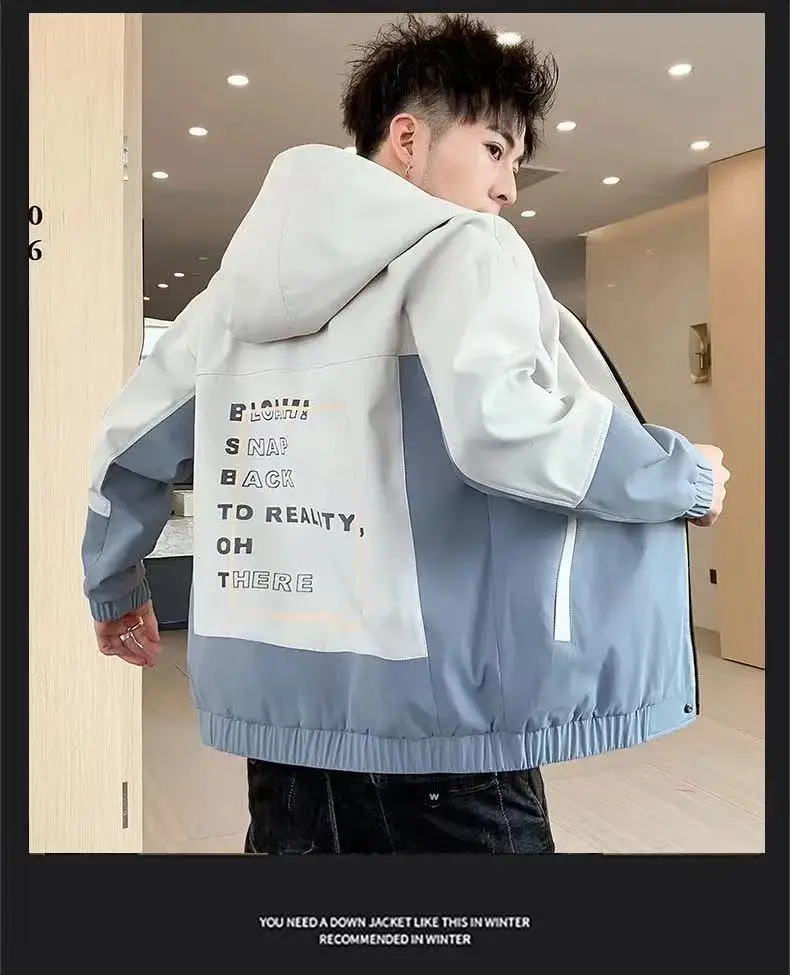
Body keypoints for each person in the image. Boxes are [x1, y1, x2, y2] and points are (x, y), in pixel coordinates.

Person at [82, 14, 730, 855]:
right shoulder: (465, 249)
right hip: (442, 737)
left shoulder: (223, 309)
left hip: (284, 741)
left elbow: (127, 444)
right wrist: (680, 473)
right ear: (409, 138)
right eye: (494, 149)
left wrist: (114, 584)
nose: (508, 188)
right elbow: (506, 428)